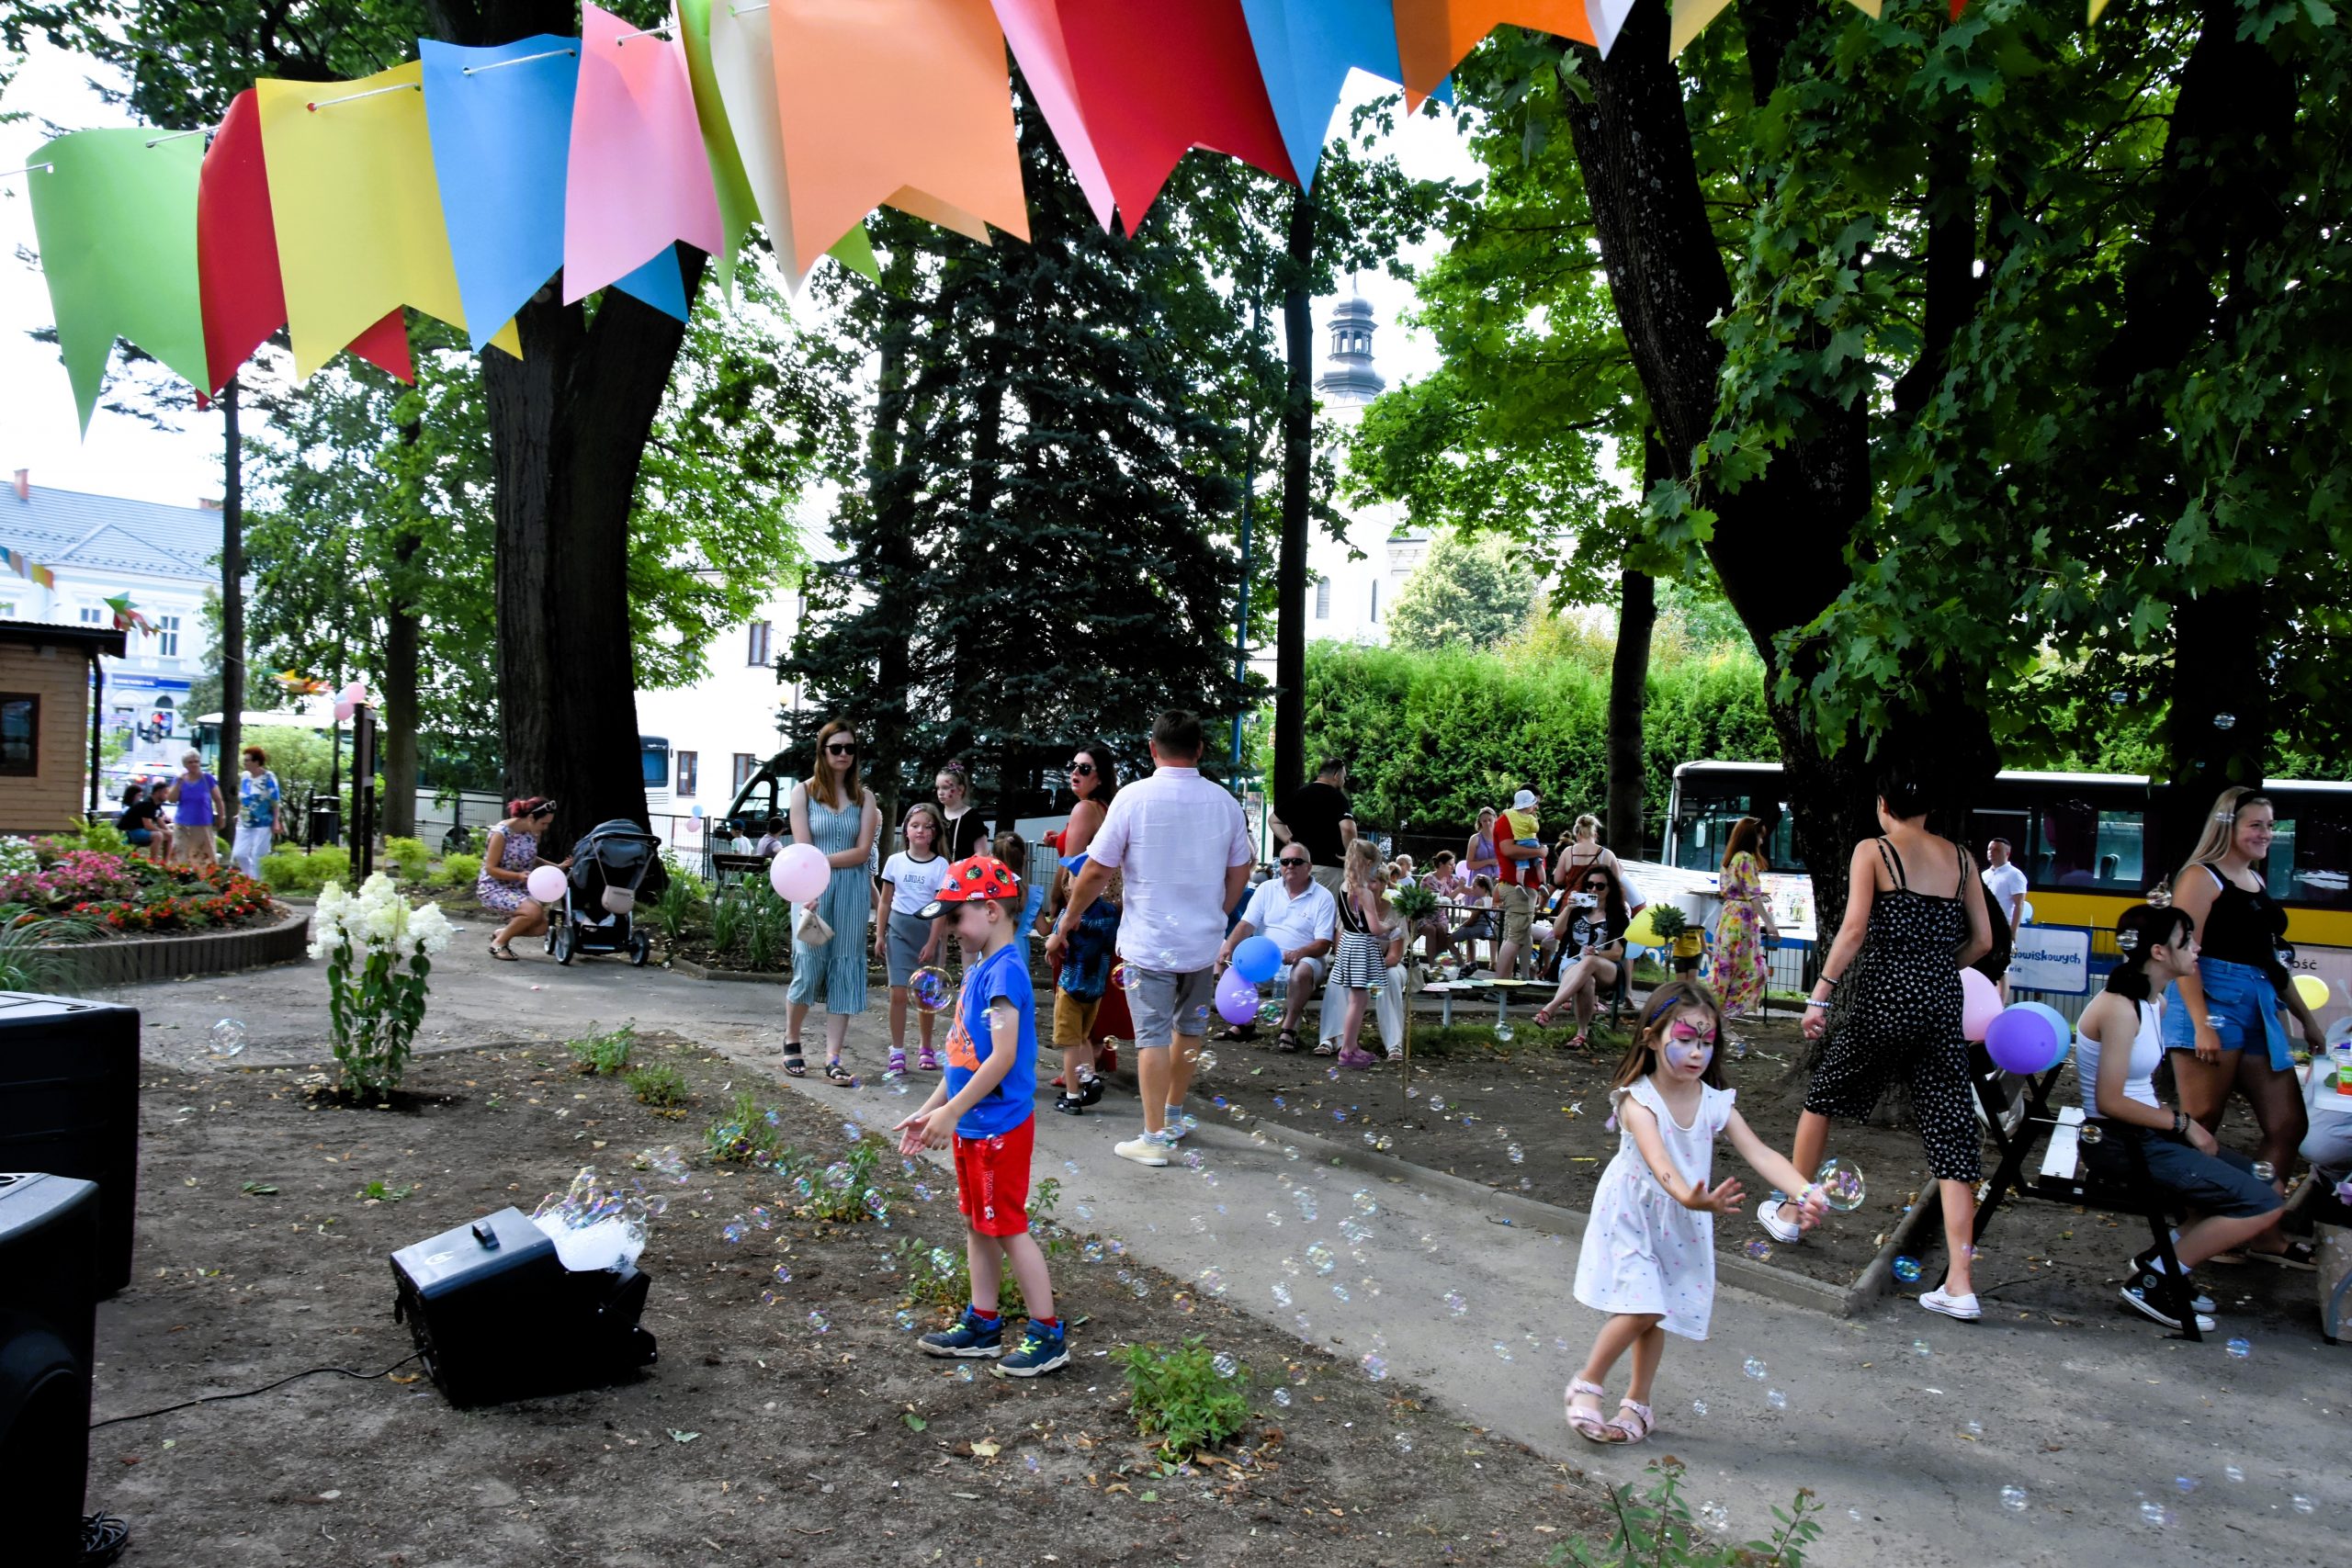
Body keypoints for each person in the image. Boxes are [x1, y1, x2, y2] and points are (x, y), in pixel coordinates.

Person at [1566, 978, 1826, 1445]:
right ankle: (1586, 1385)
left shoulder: (1713, 1101)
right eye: (1684, 1039)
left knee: (1656, 1312)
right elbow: (1659, 1161)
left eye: (1706, 1041)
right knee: (1642, 1304)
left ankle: (1637, 1403)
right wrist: (1690, 1196)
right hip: (1633, 1215)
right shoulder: (1636, 1100)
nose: (1696, 1052)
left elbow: (1762, 1154)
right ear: (1651, 1037)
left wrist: (1803, 1191)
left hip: (1683, 1219)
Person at [1779, 764, 1993, 1321]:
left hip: (1885, 999)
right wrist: (1937, 969)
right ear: (1929, 809)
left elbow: (1852, 930)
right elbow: (1984, 940)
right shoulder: (1964, 859)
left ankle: (1792, 1212)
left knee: (1823, 1097)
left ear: (1883, 805)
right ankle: (1962, 1285)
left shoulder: (1874, 850)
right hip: (1943, 1003)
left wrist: (1821, 994)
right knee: (1951, 1135)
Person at [1047, 711, 1251, 1167]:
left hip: (1148, 940)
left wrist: (1067, 921)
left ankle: (1154, 1137)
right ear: (1199, 749)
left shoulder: (1133, 798)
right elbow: (1242, 868)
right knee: (1190, 1028)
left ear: (1153, 749)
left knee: (1153, 1036)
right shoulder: (1225, 803)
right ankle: (1173, 1117)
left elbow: (1096, 869)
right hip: (1201, 942)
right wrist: (1218, 912)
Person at [2078, 904, 2286, 1332]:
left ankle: (2161, 1263)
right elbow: (2110, 1100)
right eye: (2186, 940)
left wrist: (2177, 1130)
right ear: (2157, 952)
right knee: (2263, 1204)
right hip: (2119, 1142)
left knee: (2270, 1184)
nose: (2197, 948)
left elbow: (2138, 1092)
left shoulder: (2155, 1001)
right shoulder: (2119, 1007)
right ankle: (2154, 1283)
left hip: (2144, 1135)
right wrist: (2184, 1125)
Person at [899, 853, 1067, 1376]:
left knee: (1009, 1226)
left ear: (991, 910)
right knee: (978, 1224)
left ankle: (1047, 1334)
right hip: (973, 1122)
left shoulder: (1006, 972)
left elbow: (1002, 1057)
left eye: (954, 916)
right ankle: (983, 1322)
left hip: (1000, 1126)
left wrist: (951, 1110)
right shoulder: (979, 972)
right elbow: (961, 1058)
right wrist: (930, 1111)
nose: (949, 927)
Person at [2160, 786, 2320, 1255]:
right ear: (2228, 824)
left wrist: (2306, 1021)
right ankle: (2198, 1229)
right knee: (2203, 1121)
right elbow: (2183, 952)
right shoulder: (2201, 877)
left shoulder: (2255, 881)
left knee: (2288, 1123)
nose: (2266, 833)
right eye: (2256, 824)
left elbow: (2269, 961)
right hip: (2213, 1001)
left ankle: (2257, 1224)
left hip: (2258, 1003)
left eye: (2271, 826)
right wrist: (2201, 1022)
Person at [786, 720, 880, 1086]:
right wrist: (814, 877)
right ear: (823, 751)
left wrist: (822, 861)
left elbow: (861, 852)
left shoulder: (864, 797)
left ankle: (833, 1057)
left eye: (850, 748)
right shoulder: (803, 793)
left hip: (852, 893)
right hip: (813, 891)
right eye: (836, 747)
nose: (843, 754)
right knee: (808, 968)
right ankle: (792, 1039)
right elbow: (803, 848)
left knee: (844, 969)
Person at [1046, 743, 1121, 1114]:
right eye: (1073, 765)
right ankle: (1087, 1073)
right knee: (1088, 998)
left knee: (1070, 1002)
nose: (1075, 772)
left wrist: (1059, 920)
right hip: (1108, 919)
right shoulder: (1109, 809)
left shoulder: (1084, 809)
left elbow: (1072, 869)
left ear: (1101, 776)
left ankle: (1078, 1084)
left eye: (1085, 768)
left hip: (1084, 915)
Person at [1218, 841, 1338, 1055]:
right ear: (1279, 866)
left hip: (1305, 959)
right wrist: (1228, 947)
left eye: (1296, 861)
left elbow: (1323, 943)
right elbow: (1246, 924)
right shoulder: (1266, 889)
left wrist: (1298, 953)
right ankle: (1245, 1023)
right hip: (1266, 959)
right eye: (1285, 861)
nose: (1290, 865)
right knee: (1230, 961)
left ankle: (1289, 1028)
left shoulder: (1323, 897)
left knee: (1301, 970)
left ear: (1309, 867)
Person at [876, 802, 952, 1078]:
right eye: (915, 825)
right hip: (898, 932)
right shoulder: (895, 861)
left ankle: (926, 1047)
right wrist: (879, 934)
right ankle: (897, 1050)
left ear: (934, 833)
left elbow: (941, 908)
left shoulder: (941, 865)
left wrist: (932, 943)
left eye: (927, 827)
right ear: (906, 829)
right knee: (898, 993)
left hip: (927, 934)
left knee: (925, 996)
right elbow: (885, 901)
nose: (920, 831)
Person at [1533, 863, 1630, 1043]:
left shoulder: (1618, 915)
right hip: (1571, 961)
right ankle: (1582, 1033)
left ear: (1610, 889)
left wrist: (1598, 953)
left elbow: (1617, 953)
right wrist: (1568, 908)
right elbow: (1557, 931)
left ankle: (1550, 1008)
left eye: (1600, 886)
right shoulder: (1578, 910)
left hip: (1605, 967)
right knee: (1587, 981)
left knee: (1589, 962)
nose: (1594, 889)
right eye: (1590, 885)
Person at [1324, 838, 1396, 1069]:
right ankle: (1347, 1050)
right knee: (1358, 999)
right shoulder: (1363, 892)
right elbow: (1375, 928)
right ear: (1367, 863)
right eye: (1375, 864)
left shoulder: (1345, 886)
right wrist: (1390, 926)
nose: (1375, 868)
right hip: (1362, 946)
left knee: (1358, 998)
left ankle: (1352, 1046)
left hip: (1349, 943)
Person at [479, 797, 567, 960]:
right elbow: (491, 869)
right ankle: (498, 945)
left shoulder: (531, 833)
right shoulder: (501, 834)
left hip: (518, 887)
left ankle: (501, 934)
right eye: (544, 823)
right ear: (531, 818)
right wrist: (518, 876)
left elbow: (531, 857)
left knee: (541, 927)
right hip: (494, 887)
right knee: (533, 912)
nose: (546, 828)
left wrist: (557, 866)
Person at [1713, 818, 1777, 1020]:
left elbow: (1735, 890)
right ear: (1752, 836)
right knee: (1750, 969)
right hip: (1742, 921)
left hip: (1729, 917)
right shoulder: (1745, 858)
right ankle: (1724, 1017)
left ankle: (1718, 1016)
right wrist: (1770, 923)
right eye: (1760, 836)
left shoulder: (1730, 859)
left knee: (1726, 968)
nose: (1761, 841)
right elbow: (1753, 895)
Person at [1272, 758, 1353, 898]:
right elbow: (1348, 829)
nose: (1344, 781)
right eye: (1344, 777)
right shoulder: (1337, 797)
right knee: (1325, 914)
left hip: (1298, 867)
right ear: (1336, 775)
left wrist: (1290, 842)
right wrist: (1351, 854)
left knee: (1298, 911)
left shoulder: (1299, 794)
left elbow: (1273, 820)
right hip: (1329, 869)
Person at [1490, 785, 1547, 980]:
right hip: (1517, 886)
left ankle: (1520, 979)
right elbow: (1508, 850)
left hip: (1522, 886)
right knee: (1515, 937)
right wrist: (1539, 852)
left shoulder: (1517, 821)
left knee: (1517, 935)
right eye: (1535, 803)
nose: (1536, 808)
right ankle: (1501, 984)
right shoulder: (1507, 820)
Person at [164, 750, 225, 867]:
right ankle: (178, 877)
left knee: (203, 855)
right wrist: (178, 784)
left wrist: (222, 817)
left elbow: (218, 799)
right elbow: (172, 799)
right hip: (182, 823)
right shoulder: (179, 779)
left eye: (196, 761)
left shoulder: (207, 778)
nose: (194, 764)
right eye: (190, 762)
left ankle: (204, 879)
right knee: (179, 853)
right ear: (185, 764)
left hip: (202, 823)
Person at [996, 830, 1048, 966]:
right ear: (1023, 858)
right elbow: (1044, 930)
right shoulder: (1032, 894)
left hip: (992, 949)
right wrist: (1064, 914)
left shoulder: (989, 892)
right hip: (1019, 954)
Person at [231, 746, 283, 879]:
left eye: (247, 760)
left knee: (257, 855)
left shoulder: (268, 777)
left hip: (263, 822)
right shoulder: (245, 777)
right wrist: (238, 813)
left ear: (256, 762)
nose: (244, 763)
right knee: (239, 853)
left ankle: (257, 884)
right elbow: (243, 798)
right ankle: (249, 878)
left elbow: (275, 801)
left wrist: (276, 821)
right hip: (245, 821)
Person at [1416, 851, 1468, 961]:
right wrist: (1459, 889)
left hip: (1440, 916)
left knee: (1442, 931)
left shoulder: (1451, 878)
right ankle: (1432, 967)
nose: (1453, 867)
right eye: (1450, 864)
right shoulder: (1429, 879)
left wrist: (1481, 888)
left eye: (1454, 864)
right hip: (1425, 914)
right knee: (1431, 930)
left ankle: (1438, 965)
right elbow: (1441, 901)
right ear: (1441, 865)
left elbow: (1466, 889)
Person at [935, 761, 992, 862]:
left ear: (960, 789)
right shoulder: (936, 815)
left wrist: (960, 869)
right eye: (938, 788)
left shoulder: (972, 817)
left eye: (945, 787)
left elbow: (981, 854)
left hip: (963, 874)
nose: (940, 792)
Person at [1981, 838, 2029, 930]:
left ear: (2007, 853)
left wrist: (2013, 931)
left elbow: (2019, 905)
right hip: (1984, 927)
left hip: (2002, 927)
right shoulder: (1984, 875)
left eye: (1996, 850)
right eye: (1989, 849)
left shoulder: (2015, 874)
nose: (1991, 852)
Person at [116, 784, 163, 859]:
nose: (140, 798)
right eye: (139, 795)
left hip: (134, 831)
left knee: (162, 834)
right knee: (158, 835)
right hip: (127, 833)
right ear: (132, 795)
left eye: (141, 795)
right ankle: (153, 861)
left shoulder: (139, 806)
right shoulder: (127, 808)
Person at [1464, 806, 1501, 894]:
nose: (1488, 823)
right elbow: (1469, 865)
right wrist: (1489, 861)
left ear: (1495, 819)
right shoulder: (1475, 839)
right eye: (1484, 821)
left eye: (1490, 820)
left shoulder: (1501, 838)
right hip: (1479, 882)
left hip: (1497, 879)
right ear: (1480, 822)